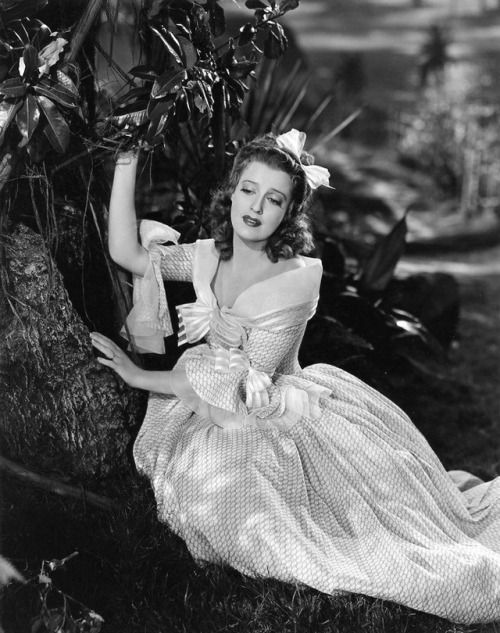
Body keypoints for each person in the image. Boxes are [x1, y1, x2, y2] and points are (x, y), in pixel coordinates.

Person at [91, 130, 500, 624]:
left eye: (274, 199)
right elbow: (127, 253)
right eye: (248, 190)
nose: (256, 208)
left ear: (288, 213)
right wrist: (128, 157)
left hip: (266, 408)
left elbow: (245, 389)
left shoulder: (295, 278)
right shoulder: (207, 255)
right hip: (213, 397)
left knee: (256, 504)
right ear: (232, 190)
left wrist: (138, 377)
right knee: (214, 491)